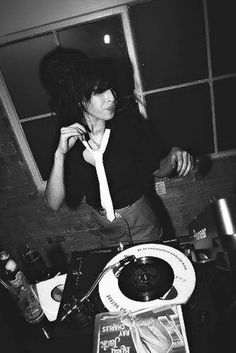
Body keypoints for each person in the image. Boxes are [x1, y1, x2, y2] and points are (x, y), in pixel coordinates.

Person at [39, 47, 193, 248]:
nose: (111, 97)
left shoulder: (127, 125)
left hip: (141, 222)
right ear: (78, 99)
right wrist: (59, 155)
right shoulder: (68, 137)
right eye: (99, 92)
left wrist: (173, 155)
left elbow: (158, 168)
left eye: (110, 88)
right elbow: (53, 203)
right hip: (106, 229)